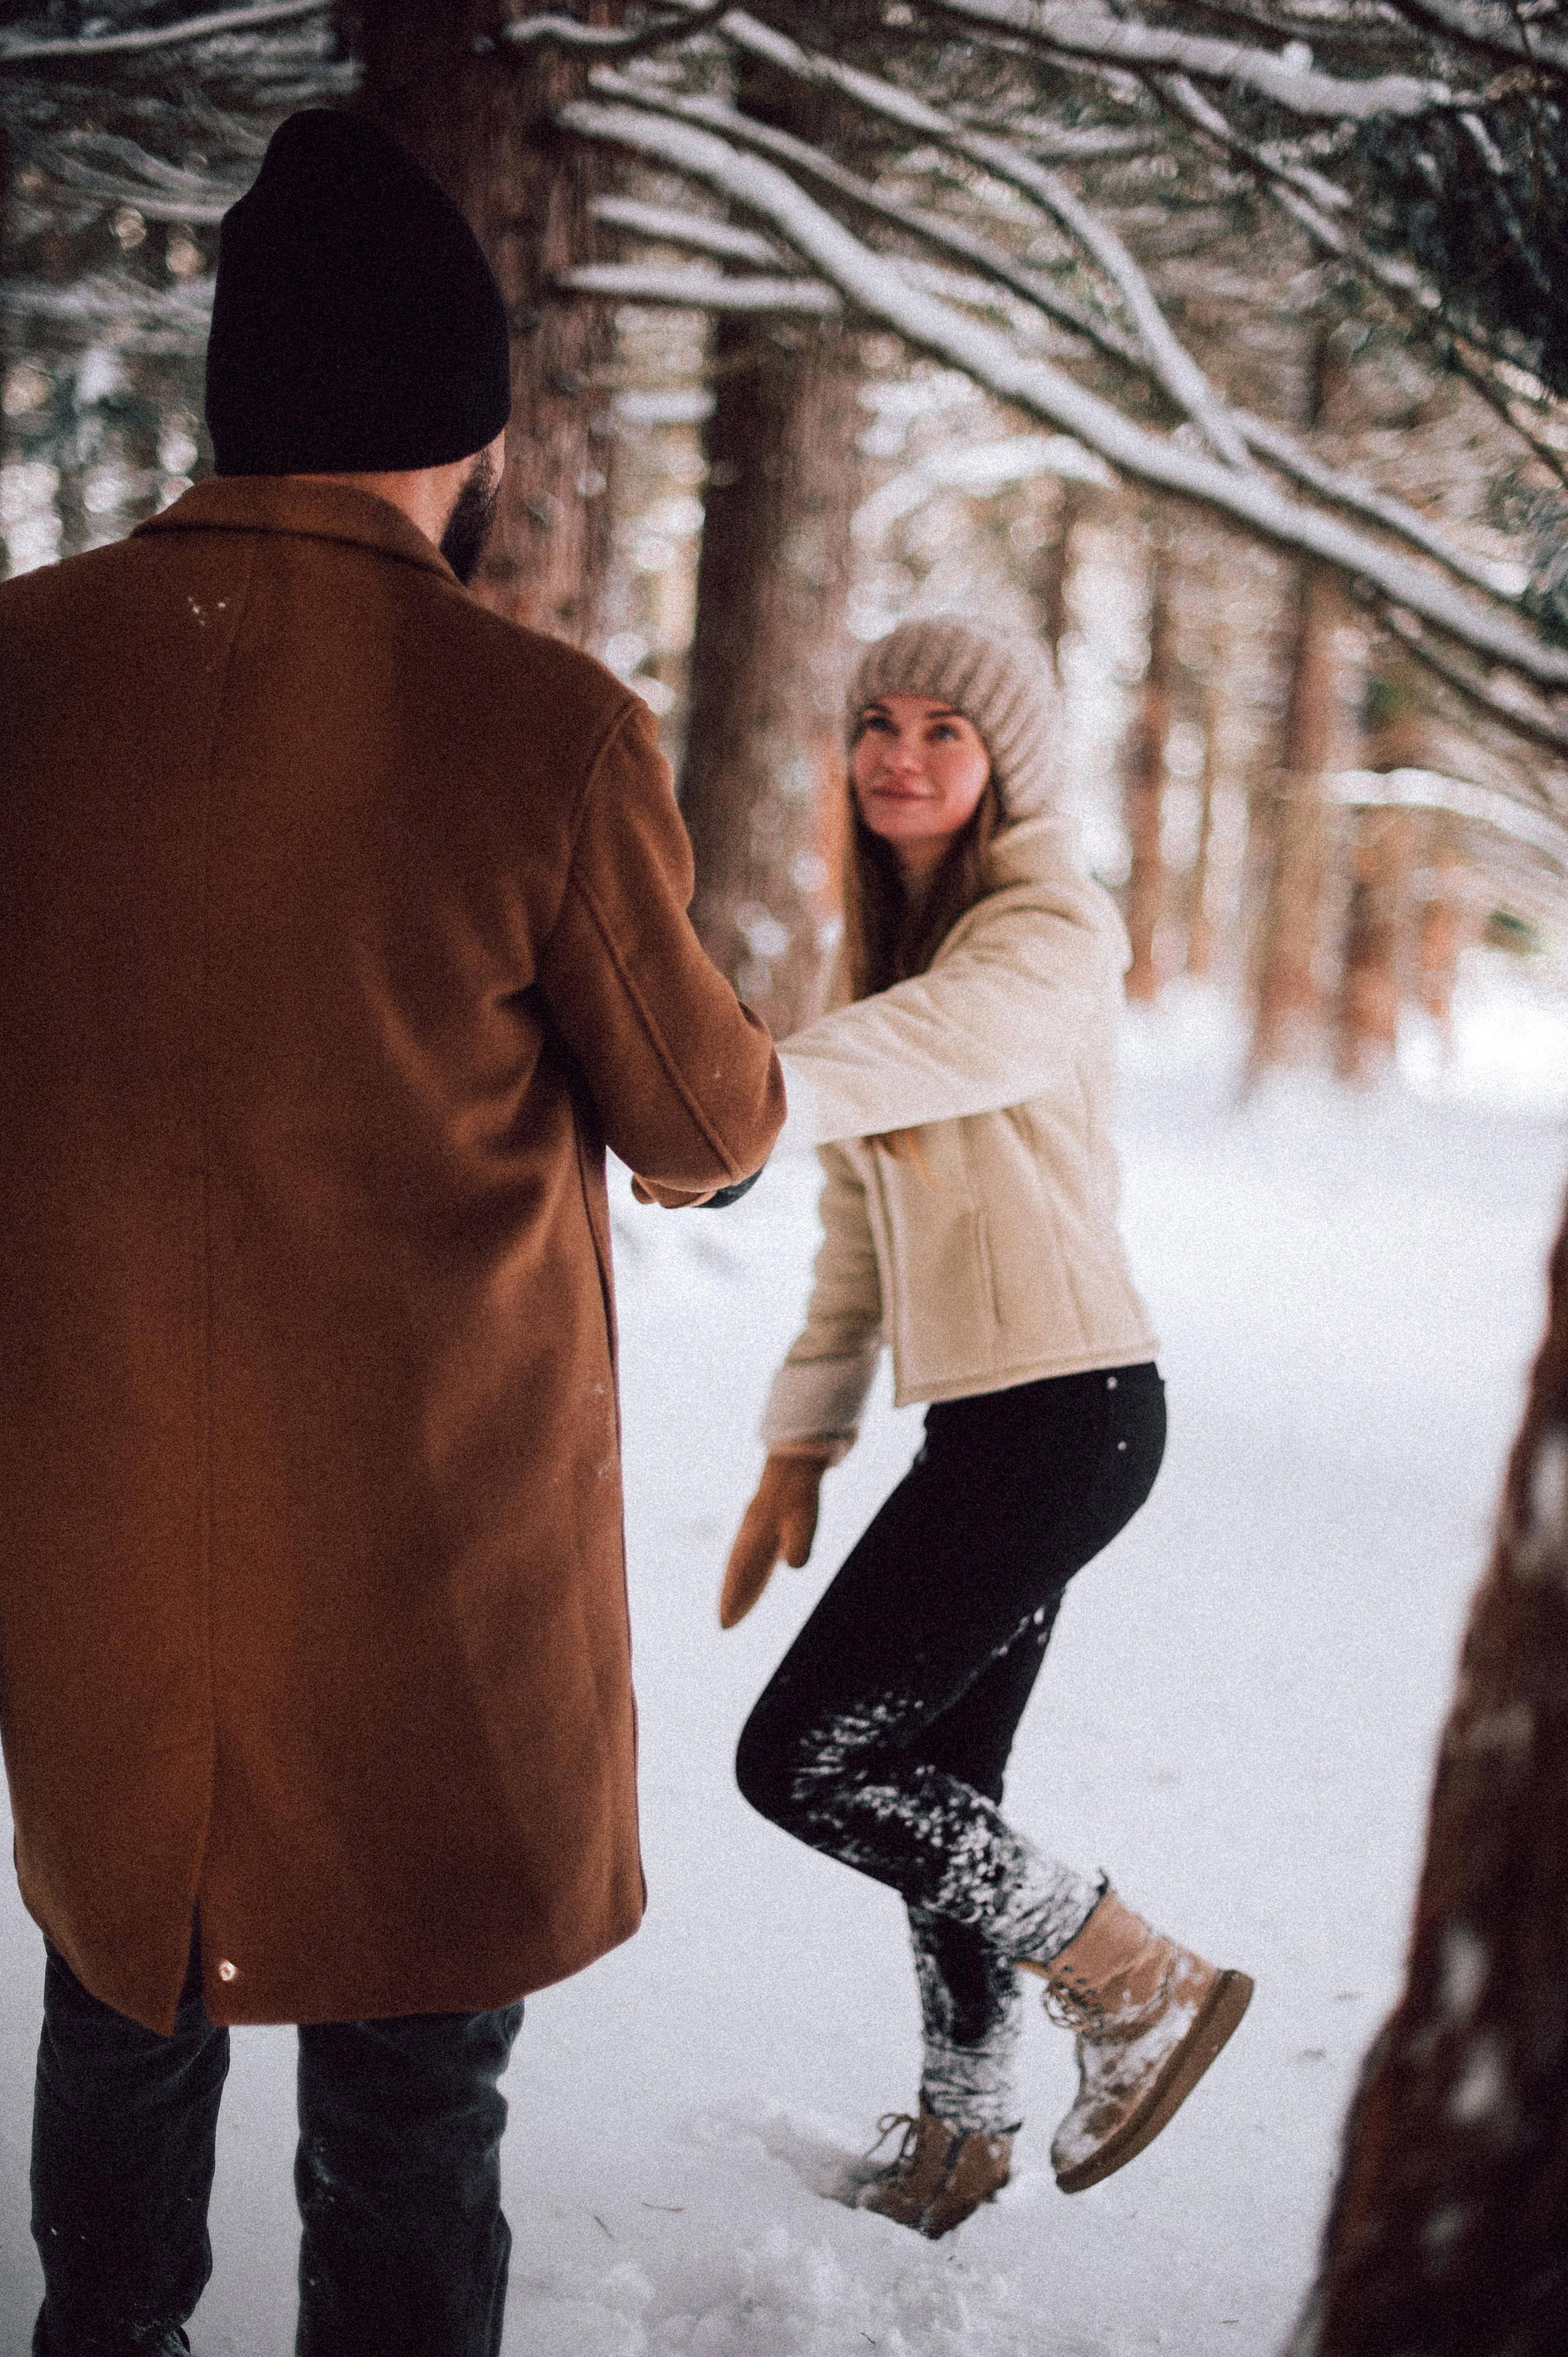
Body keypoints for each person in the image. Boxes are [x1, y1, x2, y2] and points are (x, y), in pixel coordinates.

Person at [0, 110, 782, 2357]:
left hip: (103, 1533)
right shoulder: (538, 729)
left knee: (120, 2009)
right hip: (430, 1569)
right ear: (470, 424)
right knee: (416, 2098)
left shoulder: (22, 675)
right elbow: (706, 1124)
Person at [722, 617, 1251, 2239]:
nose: (898, 751)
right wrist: (801, 1442)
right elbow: (857, 1245)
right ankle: (964, 2143)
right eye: (876, 721)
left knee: (805, 1763)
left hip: (1071, 1414)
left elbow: (962, 1042)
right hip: (1004, 1427)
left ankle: (1133, 1974)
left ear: (1006, 761)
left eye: (943, 727)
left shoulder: (1046, 928)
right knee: (942, 1782)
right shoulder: (888, 969)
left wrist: (739, 1083)